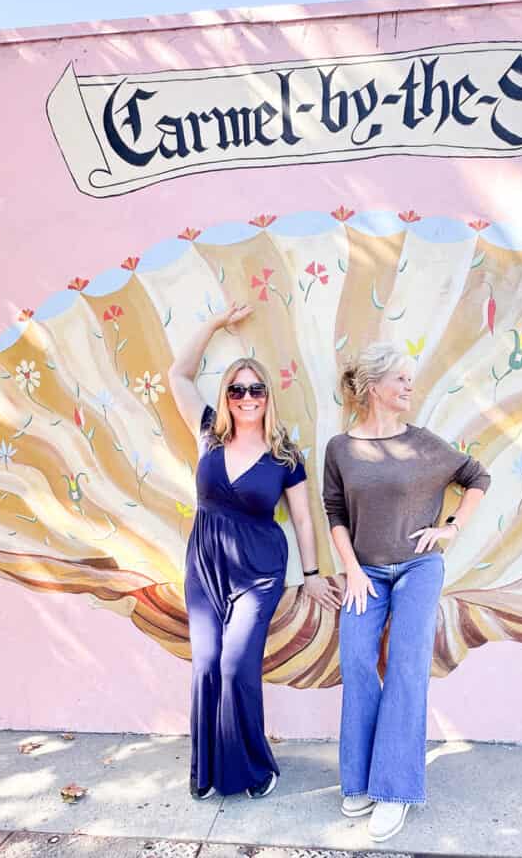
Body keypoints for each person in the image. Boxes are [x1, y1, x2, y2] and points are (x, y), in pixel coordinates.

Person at [169, 302, 340, 800]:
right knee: (205, 662)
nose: (246, 397)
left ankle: (251, 768)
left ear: (268, 396)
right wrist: (214, 323)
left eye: (255, 389)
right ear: (227, 396)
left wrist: (311, 573)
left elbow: (304, 518)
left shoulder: (285, 454)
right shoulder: (207, 434)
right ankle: (207, 771)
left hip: (260, 571)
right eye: (237, 389)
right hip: (205, 565)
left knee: (235, 664)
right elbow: (177, 373)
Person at [323, 341, 491, 842]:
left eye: (410, 379)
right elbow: (335, 511)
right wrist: (351, 569)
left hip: (419, 569)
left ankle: (395, 789)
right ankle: (360, 779)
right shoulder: (340, 448)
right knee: (355, 660)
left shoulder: (424, 443)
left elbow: (476, 476)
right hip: (366, 573)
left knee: (406, 666)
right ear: (374, 386)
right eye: (402, 379)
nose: (410, 387)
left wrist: (452, 527)